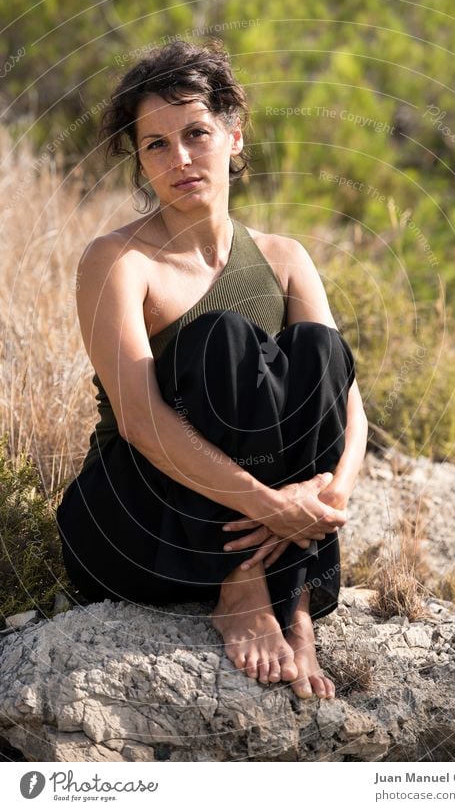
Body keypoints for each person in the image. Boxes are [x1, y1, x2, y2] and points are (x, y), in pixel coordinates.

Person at [56, 39, 368, 701]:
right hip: (136, 514)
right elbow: (140, 421)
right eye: (156, 145)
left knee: (319, 351)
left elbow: (348, 405)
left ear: (233, 137)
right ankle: (242, 587)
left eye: (196, 133)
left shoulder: (285, 258)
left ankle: (299, 610)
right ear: (140, 161)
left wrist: (324, 501)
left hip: (270, 518)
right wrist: (270, 506)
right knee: (222, 338)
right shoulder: (117, 261)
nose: (181, 158)